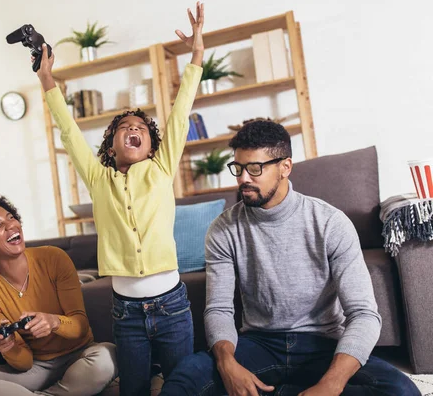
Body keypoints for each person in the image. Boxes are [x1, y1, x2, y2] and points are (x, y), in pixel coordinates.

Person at [160, 120, 420, 396]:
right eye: (238, 168)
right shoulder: (223, 229)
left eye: (255, 168)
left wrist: (331, 384)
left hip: (321, 345)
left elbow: (364, 314)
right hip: (259, 344)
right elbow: (219, 309)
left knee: (401, 391)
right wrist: (227, 364)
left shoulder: (330, 222)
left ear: (285, 167)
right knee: (185, 378)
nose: (243, 178)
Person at [33, 2, 205, 395]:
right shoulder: (98, 178)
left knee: (184, 385)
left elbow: (180, 114)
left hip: (173, 306)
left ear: (150, 144)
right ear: (111, 147)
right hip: (125, 312)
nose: (133, 129)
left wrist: (195, 55)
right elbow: (69, 133)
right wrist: (47, 81)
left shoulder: (161, 168)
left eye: (140, 127)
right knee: (133, 389)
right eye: (124, 127)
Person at [0, 188, 117, 396]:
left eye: (10, 217)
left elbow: (80, 327)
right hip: (37, 368)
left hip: (81, 355)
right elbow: (24, 363)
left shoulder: (53, 258)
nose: (11, 225)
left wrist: (54, 322)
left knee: (108, 355)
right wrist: (8, 347)